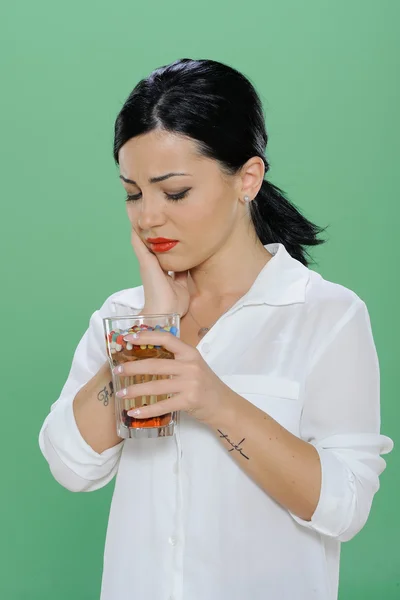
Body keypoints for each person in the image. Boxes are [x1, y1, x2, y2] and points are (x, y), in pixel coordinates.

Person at [38, 58, 393, 600]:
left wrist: (215, 400)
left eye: (173, 192)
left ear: (247, 179)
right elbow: (71, 463)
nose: (147, 216)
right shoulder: (127, 316)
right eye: (133, 192)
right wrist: (150, 329)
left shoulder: (325, 315)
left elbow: (343, 506)